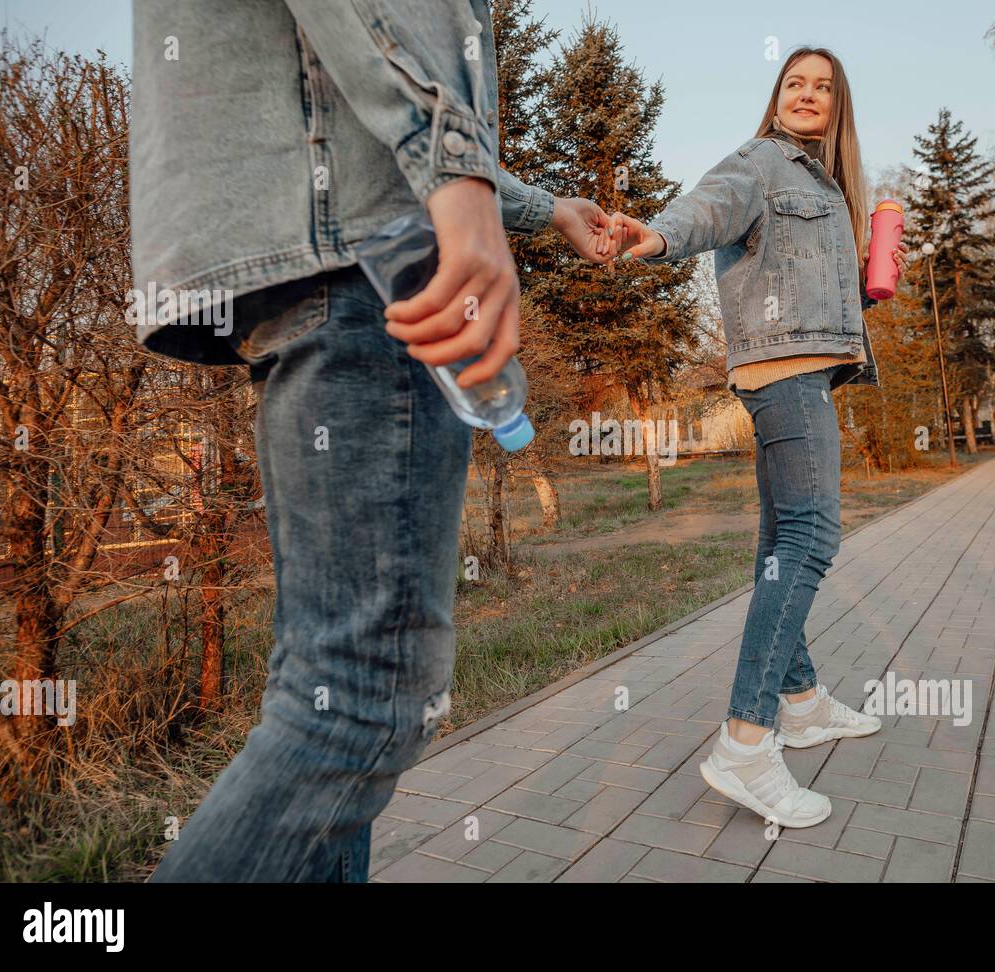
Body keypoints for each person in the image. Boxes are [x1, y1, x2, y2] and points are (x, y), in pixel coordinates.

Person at [131, 0, 611, 881]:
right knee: (365, 700)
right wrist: (461, 186)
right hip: (374, 263)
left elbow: (343, 84)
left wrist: (537, 206)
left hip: (318, 256)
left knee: (327, 691)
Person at [607, 47, 908, 828]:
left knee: (783, 541)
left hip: (803, 373)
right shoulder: (762, 163)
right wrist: (656, 236)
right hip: (784, 376)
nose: (807, 94)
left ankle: (801, 702)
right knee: (811, 540)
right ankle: (746, 739)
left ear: (839, 108)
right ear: (776, 97)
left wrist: (873, 274)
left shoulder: (828, 185)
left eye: (823, 87)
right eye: (794, 83)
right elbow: (707, 208)